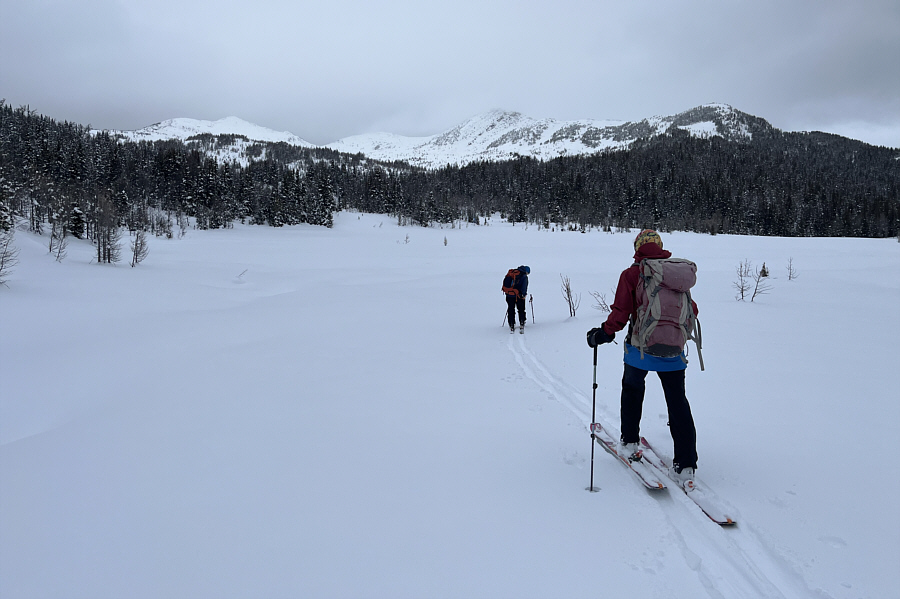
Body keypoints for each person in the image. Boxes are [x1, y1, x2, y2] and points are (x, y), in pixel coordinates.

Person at [586, 230, 698, 489]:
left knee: (632, 390)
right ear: (660, 247)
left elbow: (621, 312)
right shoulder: (677, 275)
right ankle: (686, 464)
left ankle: (629, 441)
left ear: (637, 247)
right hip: (674, 353)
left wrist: (603, 333)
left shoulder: (632, 274)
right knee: (677, 402)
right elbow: (692, 310)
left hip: (640, 351)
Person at [502, 265, 530, 332]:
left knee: (511, 309)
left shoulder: (512, 273)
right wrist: (523, 295)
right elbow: (524, 287)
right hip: (518, 296)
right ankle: (522, 322)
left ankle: (511, 323)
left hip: (509, 295)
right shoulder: (524, 276)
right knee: (521, 309)